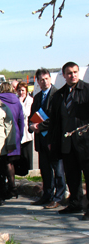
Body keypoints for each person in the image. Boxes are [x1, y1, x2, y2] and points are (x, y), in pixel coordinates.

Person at [49, 61, 89, 218]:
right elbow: (54, 121)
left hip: (85, 143)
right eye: (69, 73)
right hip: (67, 144)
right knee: (72, 176)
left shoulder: (87, 91)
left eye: (75, 72)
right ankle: (75, 203)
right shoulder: (58, 95)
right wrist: (53, 141)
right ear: (64, 75)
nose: (73, 75)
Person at [29, 68, 66, 208]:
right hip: (41, 139)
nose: (44, 82)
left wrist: (41, 126)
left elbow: (57, 118)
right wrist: (31, 126)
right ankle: (47, 195)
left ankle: (58, 197)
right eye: (41, 80)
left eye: (46, 79)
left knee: (58, 170)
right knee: (45, 170)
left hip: (54, 138)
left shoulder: (57, 95)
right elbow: (32, 115)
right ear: (37, 82)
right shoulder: (37, 97)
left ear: (50, 79)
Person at [0, 82, 24, 199]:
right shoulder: (17, 101)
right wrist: (20, 136)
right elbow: (21, 120)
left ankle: (7, 188)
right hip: (15, 133)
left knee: (3, 163)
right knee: (10, 163)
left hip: (2, 134)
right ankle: (12, 186)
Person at [17, 81, 35, 180]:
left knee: (27, 152)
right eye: (19, 90)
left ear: (26, 91)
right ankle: (20, 172)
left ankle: (29, 171)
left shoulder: (30, 100)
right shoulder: (16, 100)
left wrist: (20, 103)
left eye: (23, 90)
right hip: (19, 130)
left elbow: (26, 113)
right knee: (20, 153)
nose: (21, 92)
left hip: (27, 130)